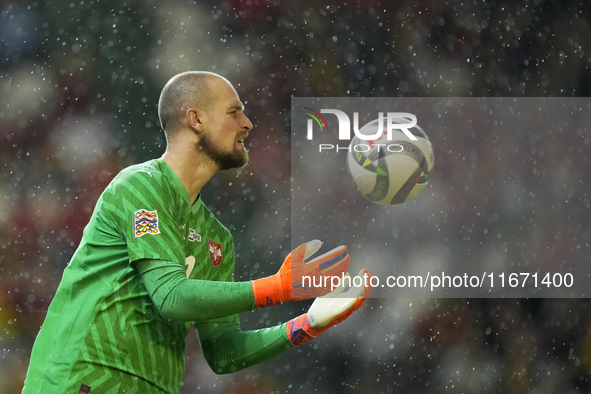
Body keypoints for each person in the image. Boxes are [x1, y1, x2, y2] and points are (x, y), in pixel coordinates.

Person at [22, 71, 372, 394]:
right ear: (196, 119)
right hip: (81, 377)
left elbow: (223, 352)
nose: (247, 123)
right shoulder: (139, 185)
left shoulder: (217, 239)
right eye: (234, 111)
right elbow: (170, 296)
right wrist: (278, 288)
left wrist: (303, 325)